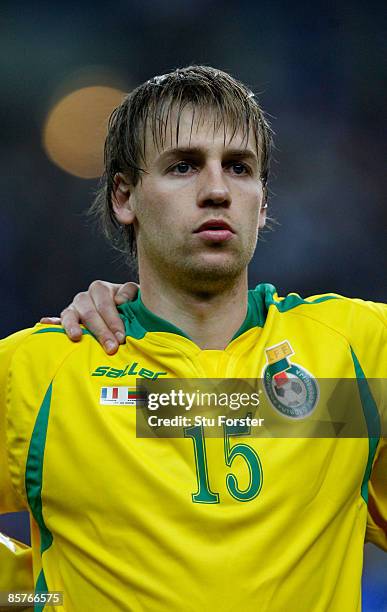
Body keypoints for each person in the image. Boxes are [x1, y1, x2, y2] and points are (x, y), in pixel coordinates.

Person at [1, 65, 386, 611]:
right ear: (123, 197)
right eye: (182, 166)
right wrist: (40, 595)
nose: (216, 191)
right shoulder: (42, 372)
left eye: (239, 167)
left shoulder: (358, 355)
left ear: (264, 200)